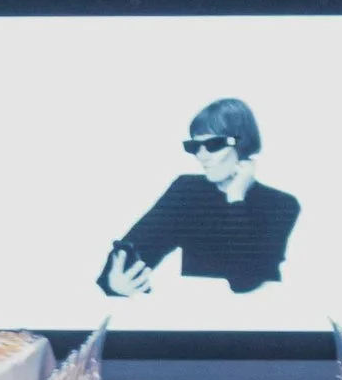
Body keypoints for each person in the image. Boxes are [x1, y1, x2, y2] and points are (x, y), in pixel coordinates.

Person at [97, 97, 300, 298]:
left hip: (258, 322)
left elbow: (244, 281)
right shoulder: (188, 192)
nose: (201, 155)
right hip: (200, 319)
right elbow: (132, 250)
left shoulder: (280, 205)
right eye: (194, 146)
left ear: (242, 143)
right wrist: (114, 283)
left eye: (213, 144)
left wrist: (236, 198)